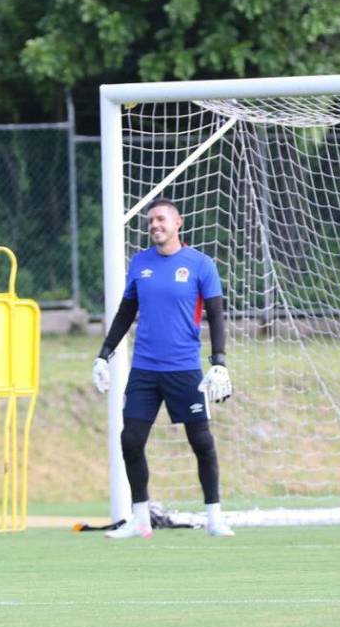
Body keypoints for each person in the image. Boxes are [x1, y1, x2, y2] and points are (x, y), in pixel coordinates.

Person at [92, 198, 234, 539]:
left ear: (178, 223)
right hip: (144, 369)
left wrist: (219, 362)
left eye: (160, 219)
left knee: (201, 441)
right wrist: (103, 354)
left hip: (184, 368)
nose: (154, 225)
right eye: (150, 221)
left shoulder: (200, 264)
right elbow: (126, 312)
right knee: (130, 440)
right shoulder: (140, 263)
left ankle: (214, 517)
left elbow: (215, 314)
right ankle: (140, 520)